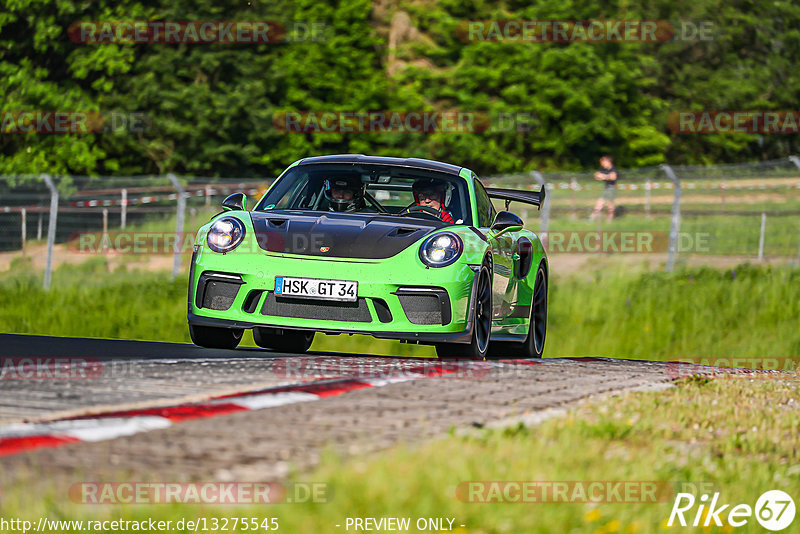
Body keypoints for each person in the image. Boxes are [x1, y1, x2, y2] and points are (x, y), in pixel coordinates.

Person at [590, 155, 618, 221]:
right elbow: (596, 175)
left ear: (608, 161)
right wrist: (607, 176)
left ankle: (608, 219)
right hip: (606, 188)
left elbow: (613, 177)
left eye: (603, 162)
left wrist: (603, 176)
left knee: (607, 204)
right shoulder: (604, 169)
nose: (602, 164)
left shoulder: (613, 169)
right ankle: (592, 218)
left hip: (612, 188)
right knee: (602, 203)